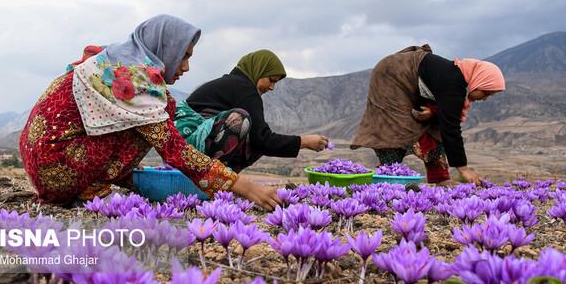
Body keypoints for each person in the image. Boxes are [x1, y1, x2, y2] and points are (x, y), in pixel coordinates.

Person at [19, 15, 281, 209]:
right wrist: (244, 186)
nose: (187, 67)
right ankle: (88, 191)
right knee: (156, 118)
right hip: (57, 169)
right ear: (166, 49)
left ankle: (99, 184)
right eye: (184, 55)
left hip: (44, 162)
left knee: (159, 110)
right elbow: (174, 150)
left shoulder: (117, 61)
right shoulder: (136, 80)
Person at [351, 44, 505, 185]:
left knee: (431, 125)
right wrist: (463, 168)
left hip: (403, 78)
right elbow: (450, 128)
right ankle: (388, 176)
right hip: (391, 76)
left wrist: (434, 110)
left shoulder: (457, 79)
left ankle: (439, 178)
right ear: (479, 81)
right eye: (486, 92)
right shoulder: (454, 82)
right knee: (395, 127)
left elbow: (439, 99)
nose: (484, 98)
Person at [176, 49, 328, 172]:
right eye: (271, 80)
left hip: (179, 147)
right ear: (258, 71)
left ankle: (222, 178)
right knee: (241, 121)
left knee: (255, 134)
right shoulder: (245, 89)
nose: (272, 87)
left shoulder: (233, 84)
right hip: (187, 147)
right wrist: (304, 142)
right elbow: (263, 140)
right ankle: (215, 179)